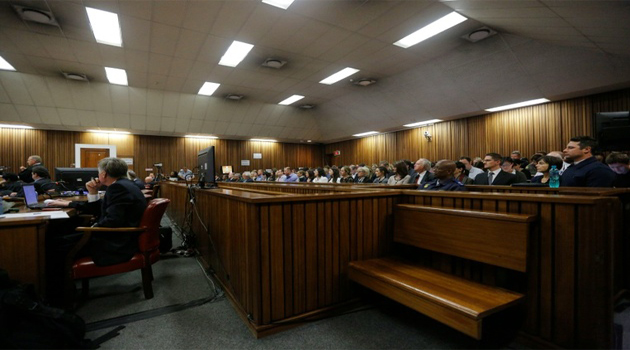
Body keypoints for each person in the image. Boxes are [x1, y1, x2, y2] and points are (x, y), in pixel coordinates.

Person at [45, 157, 147, 303]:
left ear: (104, 174)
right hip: (119, 236)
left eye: (99, 173)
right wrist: (92, 192)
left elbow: (112, 221)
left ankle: (57, 297)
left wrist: (90, 228)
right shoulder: (124, 185)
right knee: (61, 238)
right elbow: (100, 208)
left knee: (55, 245)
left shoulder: (118, 188)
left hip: (116, 243)